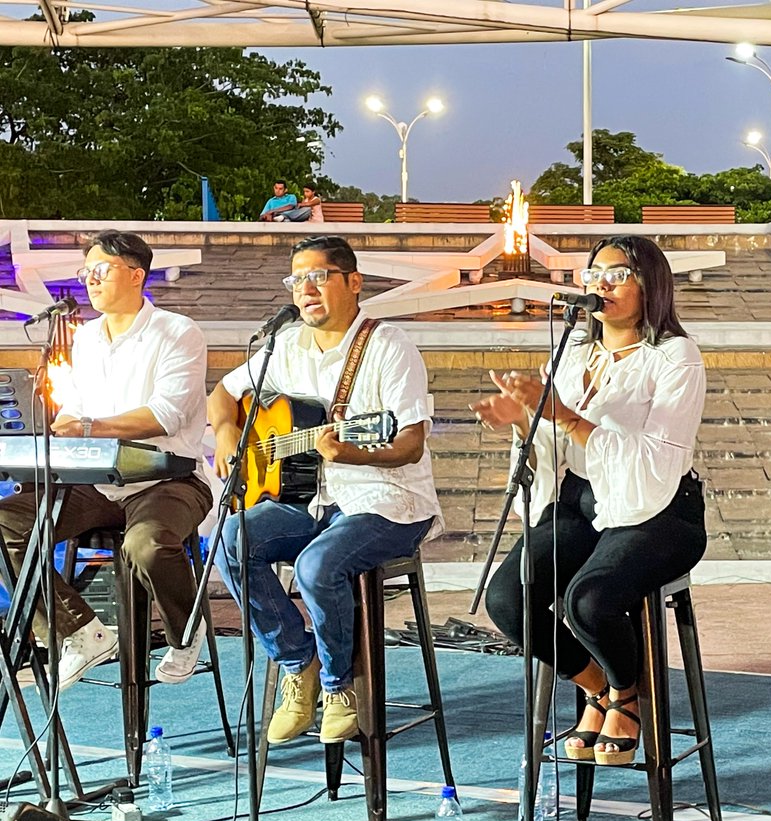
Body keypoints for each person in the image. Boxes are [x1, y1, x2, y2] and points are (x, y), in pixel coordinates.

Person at [474, 234, 707, 766]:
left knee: (590, 600)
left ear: (650, 284)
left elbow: (657, 457)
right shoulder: (574, 352)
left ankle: (628, 695)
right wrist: (524, 424)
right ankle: (600, 687)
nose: (602, 284)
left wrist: (566, 417)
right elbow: (555, 445)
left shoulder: (675, 356)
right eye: (594, 274)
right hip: (583, 497)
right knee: (509, 598)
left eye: (618, 274)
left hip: (661, 507)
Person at [208, 234, 442, 745]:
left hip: (387, 499)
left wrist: (355, 454)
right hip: (312, 498)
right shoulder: (286, 345)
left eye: (318, 276)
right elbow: (223, 394)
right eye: (297, 280)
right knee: (230, 541)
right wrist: (228, 437)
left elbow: (409, 445)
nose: (305, 289)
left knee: (316, 565)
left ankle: (339, 687)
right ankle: (299, 663)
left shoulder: (389, 347)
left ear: (354, 282)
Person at [0, 230, 212, 689]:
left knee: (146, 545)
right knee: (6, 523)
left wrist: (88, 426)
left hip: (167, 478)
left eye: (101, 270)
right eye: (86, 273)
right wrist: (62, 426)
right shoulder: (87, 338)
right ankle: (81, 632)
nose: (90, 280)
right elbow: (74, 407)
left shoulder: (177, 331)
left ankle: (185, 630)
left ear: (136, 275)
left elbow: (166, 415)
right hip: (96, 479)